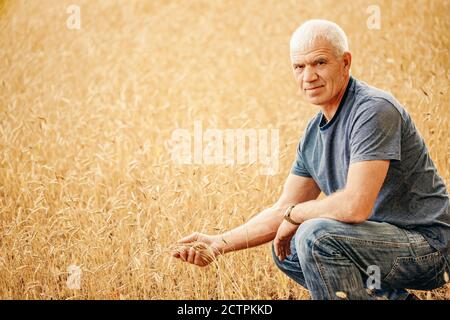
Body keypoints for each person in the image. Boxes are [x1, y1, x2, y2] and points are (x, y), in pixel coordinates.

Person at [171, 19, 450, 300]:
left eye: (319, 63)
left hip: (429, 247)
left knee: (314, 235)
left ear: (345, 62)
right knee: (290, 249)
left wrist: (296, 216)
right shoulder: (313, 133)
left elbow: (355, 206)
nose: (309, 76)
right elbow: (283, 208)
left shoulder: (374, 109)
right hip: (377, 246)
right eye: (299, 67)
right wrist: (218, 243)